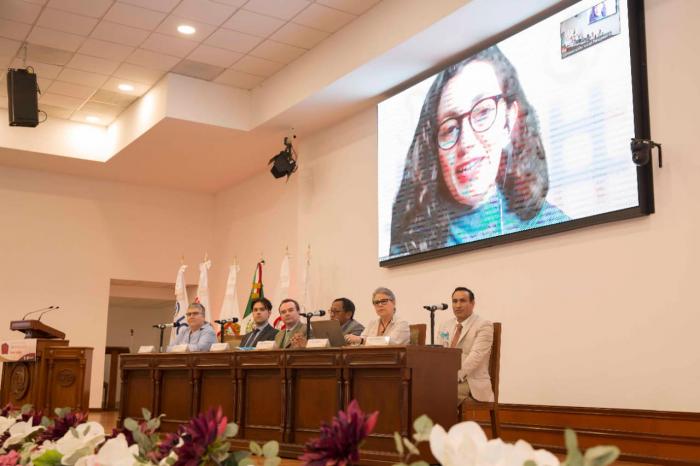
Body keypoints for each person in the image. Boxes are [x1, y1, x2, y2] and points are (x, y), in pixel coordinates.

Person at [390, 45, 568, 257]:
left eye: (483, 112)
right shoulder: (410, 244)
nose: (466, 142)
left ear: (509, 121)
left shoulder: (549, 223)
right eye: (450, 128)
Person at [438, 287, 494, 403]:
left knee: (442, 391)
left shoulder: (484, 325)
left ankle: (446, 421)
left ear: (472, 303)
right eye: (455, 301)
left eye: (462, 301)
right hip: (446, 378)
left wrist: (455, 376)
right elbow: (439, 354)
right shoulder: (445, 325)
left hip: (471, 382)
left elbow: (476, 356)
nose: (458, 305)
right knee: (422, 388)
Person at [345, 287, 409, 345]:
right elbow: (361, 340)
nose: (380, 305)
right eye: (376, 302)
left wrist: (361, 340)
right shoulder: (372, 323)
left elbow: (391, 343)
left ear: (393, 302)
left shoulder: (402, 323)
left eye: (384, 301)